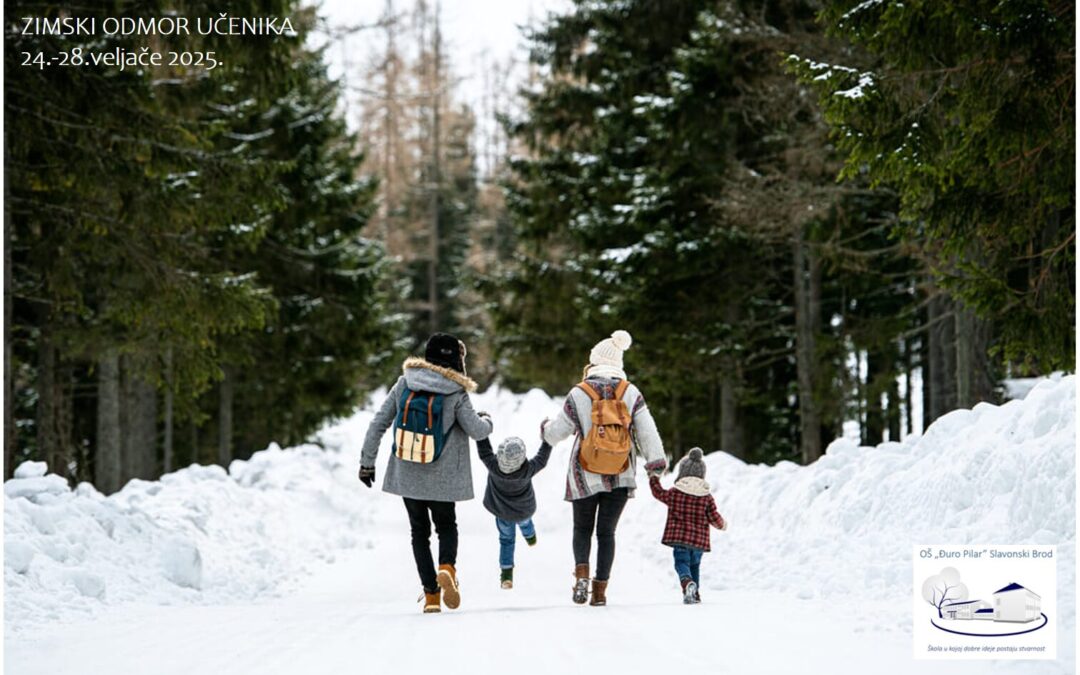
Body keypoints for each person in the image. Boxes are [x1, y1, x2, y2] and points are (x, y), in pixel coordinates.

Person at [358, 333, 493, 614]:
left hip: (408, 472)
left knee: (419, 532)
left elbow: (378, 423)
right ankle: (447, 568)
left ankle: (431, 595)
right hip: (444, 478)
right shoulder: (456, 391)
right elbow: (477, 430)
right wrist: (487, 420)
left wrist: (367, 462)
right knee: (446, 526)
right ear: (456, 359)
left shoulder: (406, 382)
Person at [541, 329, 667, 606]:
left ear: (594, 362)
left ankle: (581, 576)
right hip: (621, 473)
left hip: (583, 474)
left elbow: (557, 433)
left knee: (582, 529)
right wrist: (656, 466)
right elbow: (647, 432)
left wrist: (545, 431)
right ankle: (599, 592)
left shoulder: (579, 392)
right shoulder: (630, 392)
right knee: (606, 533)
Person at [648, 447, 727, 604]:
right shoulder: (707, 497)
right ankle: (695, 593)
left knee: (681, 563)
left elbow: (658, 493)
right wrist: (722, 525)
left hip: (680, 539)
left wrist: (653, 478)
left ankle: (687, 583)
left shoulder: (675, 493)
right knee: (695, 566)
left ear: (682, 472)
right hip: (699, 542)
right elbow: (713, 517)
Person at [474, 435, 552, 589]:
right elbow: (542, 459)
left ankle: (507, 575)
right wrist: (547, 440)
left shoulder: (493, 466)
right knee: (526, 523)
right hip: (524, 511)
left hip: (503, 514)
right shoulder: (528, 469)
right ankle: (530, 537)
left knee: (506, 540)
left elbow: (484, 451)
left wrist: (481, 430)